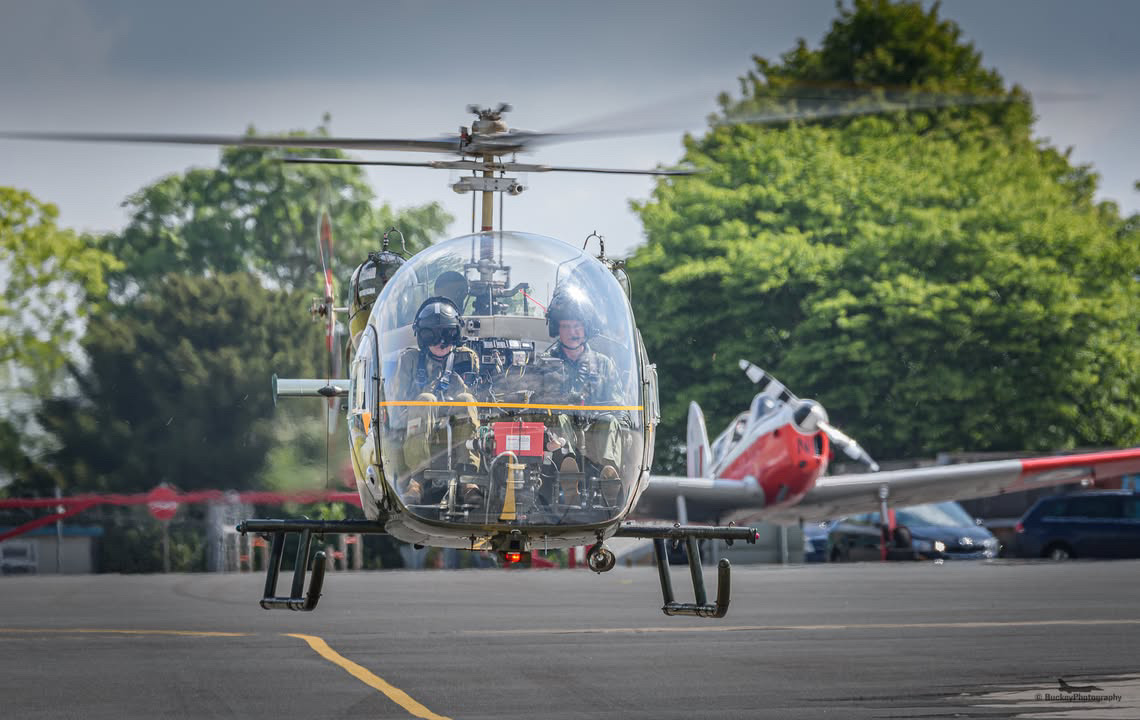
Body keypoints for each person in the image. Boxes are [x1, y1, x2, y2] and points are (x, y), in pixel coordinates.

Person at [391, 297, 482, 506]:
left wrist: (458, 384)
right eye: (432, 335)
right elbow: (397, 406)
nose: (441, 342)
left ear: (456, 334)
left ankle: (468, 481)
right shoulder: (410, 361)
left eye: (447, 334)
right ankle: (417, 480)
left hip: (455, 424)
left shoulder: (466, 359)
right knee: (425, 400)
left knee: (466, 399)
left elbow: (477, 401)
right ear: (422, 337)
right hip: (414, 426)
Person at [541, 287, 627, 506]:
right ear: (556, 329)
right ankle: (570, 480)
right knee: (560, 418)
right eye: (567, 326)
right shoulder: (543, 365)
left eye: (578, 325)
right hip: (559, 437)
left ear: (586, 327)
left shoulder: (604, 364)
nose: (573, 332)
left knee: (609, 421)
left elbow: (620, 407)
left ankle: (609, 477)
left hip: (595, 433)